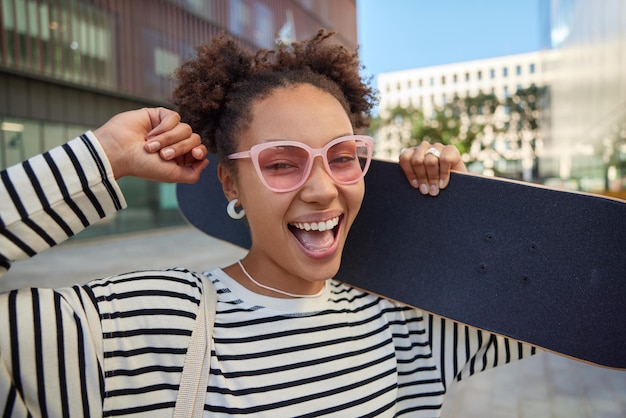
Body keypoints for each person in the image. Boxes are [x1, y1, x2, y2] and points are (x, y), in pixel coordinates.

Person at [0, 30, 535, 417]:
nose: (323, 187)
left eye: (343, 156)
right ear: (231, 184)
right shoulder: (143, 328)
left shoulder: (404, 327)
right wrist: (105, 155)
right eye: (282, 163)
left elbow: (583, 306)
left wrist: (468, 209)